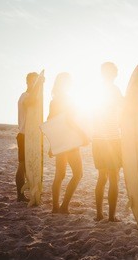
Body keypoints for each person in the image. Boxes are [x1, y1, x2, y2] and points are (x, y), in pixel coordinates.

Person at [48, 72, 85, 214]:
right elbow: (70, 121)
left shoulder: (54, 101)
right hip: (70, 140)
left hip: (59, 140)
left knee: (59, 175)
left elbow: (50, 123)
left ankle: (55, 207)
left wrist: (52, 145)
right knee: (78, 174)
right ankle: (64, 207)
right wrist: (82, 135)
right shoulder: (69, 100)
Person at [92, 62, 124, 222]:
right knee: (114, 178)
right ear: (114, 74)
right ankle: (111, 216)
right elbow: (125, 108)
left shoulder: (96, 90)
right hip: (111, 139)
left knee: (101, 177)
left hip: (97, 140)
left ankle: (99, 214)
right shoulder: (114, 90)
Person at [16, 72, 45, 202]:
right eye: (32, 82)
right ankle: (20, 195)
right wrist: (39, 84)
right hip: (24, 136)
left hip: (34, 137)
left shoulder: (35, 96)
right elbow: (31, 101)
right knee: (22, 165)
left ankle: (34, 190)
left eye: (36, 82)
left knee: (33, 165)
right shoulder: (25, 96)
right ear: (27, 82)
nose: (34, 84)